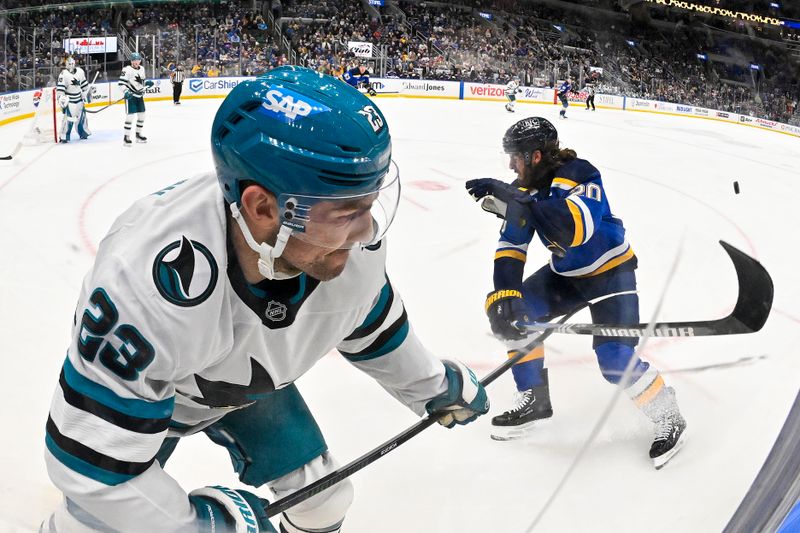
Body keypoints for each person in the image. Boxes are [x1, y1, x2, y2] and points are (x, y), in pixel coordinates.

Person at [41, 65, 488, 533]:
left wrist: (433, 386)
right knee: (90, 522)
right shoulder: (144, 286)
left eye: (370, 204)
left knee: (325, 503)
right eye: (345, 213)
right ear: (262, 207)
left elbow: (367, 321)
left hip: (242, 388)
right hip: (160, 397)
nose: (365, 233)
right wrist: (191, 526)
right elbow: (92, 469)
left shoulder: (348, 248)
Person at [464, 116, 686, 469]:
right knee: (513, 318)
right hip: (565, 277)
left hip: (611, 274)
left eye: (515, 158)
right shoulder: (525, 193)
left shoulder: (579, 173)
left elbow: (575, 230)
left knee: (614, 360)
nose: (510, 165)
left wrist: (517, 200)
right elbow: (510, 247)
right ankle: (535, 398)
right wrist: (506, 295)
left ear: (535, 156)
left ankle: (668, 414)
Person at [118, 51, 153, 146]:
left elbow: (142, 82)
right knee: (130, 116)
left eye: (138, 60)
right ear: (131, 61)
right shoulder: (127, 69)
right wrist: (126, 92)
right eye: (134, 60)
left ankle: (138, 134)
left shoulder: (142, 69)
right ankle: (126, 137)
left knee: (142, 115)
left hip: (139, 96)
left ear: (140, 61)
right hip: (131, 97)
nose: (136, 62)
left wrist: (147, 84)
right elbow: (121, 83)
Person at [56, 56, 90, 143]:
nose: (71, 65)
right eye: (69, 64)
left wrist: (86, 93)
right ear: (66, 64)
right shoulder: (63, 74)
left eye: (72, 63)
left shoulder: (80, 72)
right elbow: (60, 90)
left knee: (81, 118)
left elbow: (84, 85)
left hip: (79, 99)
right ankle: (64, 135)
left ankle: (83, 132)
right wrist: (61, 98)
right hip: (69, 100)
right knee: (68, 119)